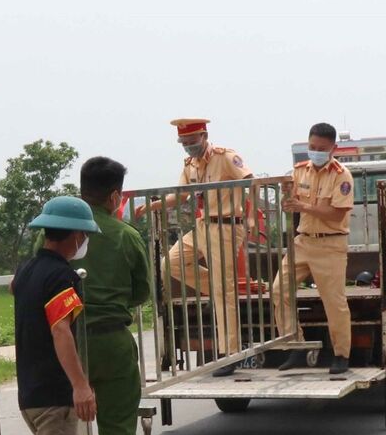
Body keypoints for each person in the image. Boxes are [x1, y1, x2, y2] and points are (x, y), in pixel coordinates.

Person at [6, 196, 127, 435]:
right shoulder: (61, 277)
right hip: (54, 396)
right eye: (83, 236)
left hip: (33, 392)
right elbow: (61, 331)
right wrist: (80, 385)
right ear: (75, 236)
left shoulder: (26, 271)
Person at [68, 157, 154, 435]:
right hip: (112, 340)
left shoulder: (57, 230)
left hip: (66, 343)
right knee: (118, 426)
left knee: (62, 430)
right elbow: (142, 292)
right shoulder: (125, 235)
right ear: (115, 195)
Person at [138, 117, 254, 375]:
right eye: (184, 143)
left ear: (204, 135)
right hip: (203, 225)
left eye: (192, 141)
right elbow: (180, 195)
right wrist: (151, 206)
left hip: (226, 225)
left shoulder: (226, 157)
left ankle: (230, 353)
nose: (188, 147)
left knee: (225, 293)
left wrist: (251, 216)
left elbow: (250, 180)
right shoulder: (190, 165)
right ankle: (218, 286)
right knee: (172, 263)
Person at [272, 122, 356, 375]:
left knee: (334, 301)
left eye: (321, 148)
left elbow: (336, 214)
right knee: (279, 290)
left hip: (330, 243)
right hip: (303, 241)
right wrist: (287, 197)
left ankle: (341, 354)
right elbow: (291, 200)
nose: (316, 151)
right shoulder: (300, 171)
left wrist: (303, 207)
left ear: (333, 148)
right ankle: (295, 345)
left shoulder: (341, 176)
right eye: (312, 147)